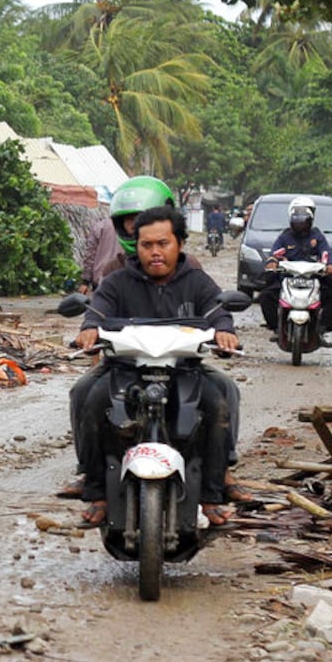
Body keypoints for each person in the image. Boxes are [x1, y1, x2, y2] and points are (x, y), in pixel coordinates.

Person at [70, 206, 241, 528]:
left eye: (163, 243)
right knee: (90, 400)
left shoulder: (197, 280)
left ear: (179, 243)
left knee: (217, 405)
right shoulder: (118, 280)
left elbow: (218, 309)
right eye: (147, 245)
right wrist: (89, 327)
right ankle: (96, 492)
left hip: (184, 369)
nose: (155, 252)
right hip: (126, 368)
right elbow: (98, 309)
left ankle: (212, 495)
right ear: (137, 246)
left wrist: (224, 330)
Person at [258, 195, 332, 333]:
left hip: (314, 277)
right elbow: (275, 253)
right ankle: (276, 328)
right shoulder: (285, 237)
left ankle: (323, 328)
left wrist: (329, 266)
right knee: (265, 296)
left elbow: (325, 253)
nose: (300, 224)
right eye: (297, 221)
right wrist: (272, 261)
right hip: (288, 277)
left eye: (304, 221)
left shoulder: (317, 236)